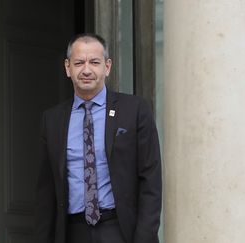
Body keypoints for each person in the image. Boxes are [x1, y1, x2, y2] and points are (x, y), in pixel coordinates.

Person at [35, 33, 162, 243]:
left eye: (94, 62)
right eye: (79, 63)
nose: (86, 70)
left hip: (120, 230)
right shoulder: (52, 120)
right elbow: (45, 193)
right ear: (68, 68)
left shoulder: (135, 110)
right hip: (72, 231)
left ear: (107, 66)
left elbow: (151, 181)